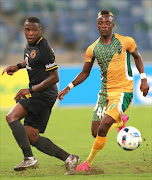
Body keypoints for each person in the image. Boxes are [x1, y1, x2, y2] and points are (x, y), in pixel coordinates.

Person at [58, 10, 149, 171]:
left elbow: (138, 56)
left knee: (103, 127)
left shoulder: (125, 41)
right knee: (96, 132)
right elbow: (85, 72)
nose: (104, 26)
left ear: (112, 25)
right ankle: (121, 121)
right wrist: (68, 87)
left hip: (123, 91)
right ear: (97, 25)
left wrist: (143, 79)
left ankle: (88, 164)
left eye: (107, 23)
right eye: (101, 23)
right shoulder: (92, 49)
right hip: (105, 92)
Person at [2, 17, 79, 175]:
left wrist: (30, 90)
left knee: (11, 117)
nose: (30, 33)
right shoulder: (30, 45)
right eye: (27, 29)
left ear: (40, 31)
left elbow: (55, 77)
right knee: (31, 136)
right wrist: (16, 66)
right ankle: (69, 158)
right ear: (23, 29)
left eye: (34, 30)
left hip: (44, 93)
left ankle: (29, 158)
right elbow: (31, 61)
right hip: (41, 93)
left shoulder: (43, 47)